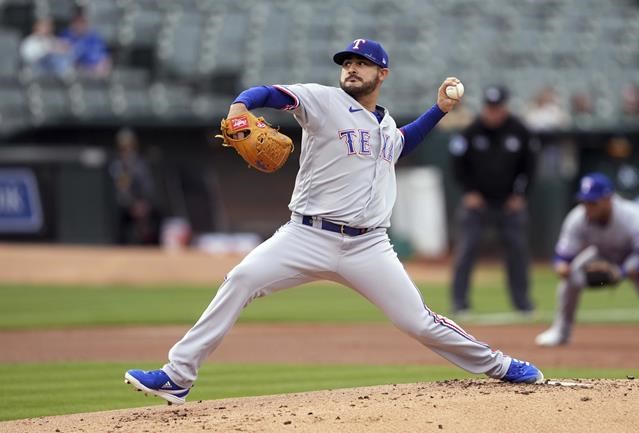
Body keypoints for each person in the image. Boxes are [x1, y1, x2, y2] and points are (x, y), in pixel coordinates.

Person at [124, 39, 544, 405]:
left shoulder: (385, 123)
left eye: (360, 63)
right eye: (346, 63)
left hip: (368, 247)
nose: (351, 68)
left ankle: (502, 365)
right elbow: (268, 93)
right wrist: (239, 106)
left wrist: (439, 110)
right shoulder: (321, 100)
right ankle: (178, 376)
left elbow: (402, 143)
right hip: (305, 234)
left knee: (418, 321)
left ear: (382, 73)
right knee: (240, 279)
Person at [449, 85, 538, 315]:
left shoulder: (520, 132)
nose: (493, 112)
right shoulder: (471, 132)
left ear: (505, 107)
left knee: (517, 251)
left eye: (497, 108)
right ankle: (460, 303)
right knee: (467, 249)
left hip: (509, 203)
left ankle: (522, 303)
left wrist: (520, 195)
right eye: (489, 107)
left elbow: (530, 167)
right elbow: (458, 166)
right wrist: (469, 192)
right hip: (477, 202)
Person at [535, 173, 639, 346]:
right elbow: (562, 256)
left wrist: (622, 273)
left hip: (633, 255)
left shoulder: (633, 216)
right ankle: (561, 332)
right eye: (584, 202)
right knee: (569, 279)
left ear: (608, 199)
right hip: (601, 254)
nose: (588, 207)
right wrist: (562, 268)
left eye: (593, 202)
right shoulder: (577, 218)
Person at [108, 128, 160, 245]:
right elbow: (122, 190)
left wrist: (143, 204)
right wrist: (132, 204)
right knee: (120, 218)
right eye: (124, 147)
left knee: (156, 215)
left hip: (142, 204)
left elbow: (148, 187)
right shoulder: (117, 165)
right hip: (125, 206)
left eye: (129, 146)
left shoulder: (141, 164)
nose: (127, 150)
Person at [59, 9, 111, 77]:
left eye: (83, 22)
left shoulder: (95, 38)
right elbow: (68, 61)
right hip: (77, 75)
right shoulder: (65, 36)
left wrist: (103, 69)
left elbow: (106, 59)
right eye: (78, 21)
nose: (80, 25)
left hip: (97, 75)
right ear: (73, 22)